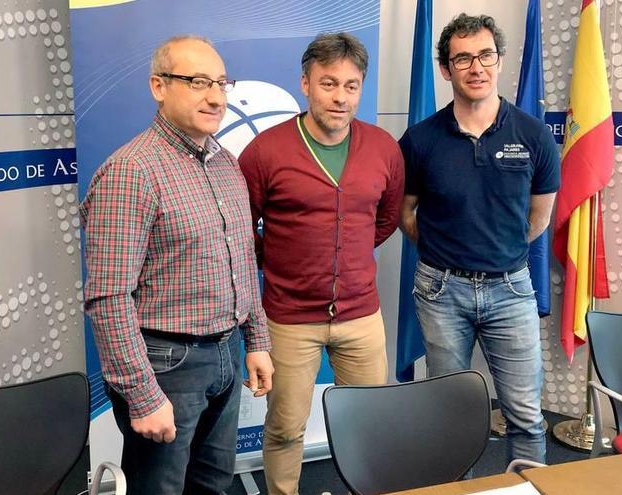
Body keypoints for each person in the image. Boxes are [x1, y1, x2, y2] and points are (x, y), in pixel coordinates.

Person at [80, 36, 274, 494]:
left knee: (212, 484)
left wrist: (256, 340)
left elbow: (243, 262)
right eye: (198, 82)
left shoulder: (226, 164)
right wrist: (143, 396)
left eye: (222, 83)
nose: (215, 96)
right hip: (167, 366)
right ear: (158, 86)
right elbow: (108, 298)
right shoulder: (132, 171)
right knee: (159, 488)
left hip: (225, 354)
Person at [238, 32, 404, 495]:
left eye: (351, 86)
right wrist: (287, 261)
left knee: (370, 422)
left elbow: (386, 217)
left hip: (362, 316)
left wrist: (345, 253)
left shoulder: (383, 148)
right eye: (329, 83)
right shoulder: (265, 151)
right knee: (286, 428)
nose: (340, 96)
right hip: (289, 319)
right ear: (306, 83)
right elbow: (240, 231)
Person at [399, 13, 560, 464]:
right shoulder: (420, 139)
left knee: (525, 413)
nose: (476, 67)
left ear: (500, 60)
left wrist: (497, 249)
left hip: (511, 289)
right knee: (448, 410)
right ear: (446, 69)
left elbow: (538, 219)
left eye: (485, 55)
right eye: (463, 58)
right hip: (440, 290)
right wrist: (444, 251)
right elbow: (405, 212)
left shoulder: (534, 136)